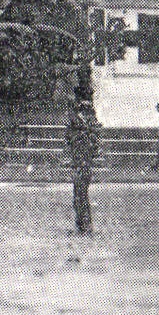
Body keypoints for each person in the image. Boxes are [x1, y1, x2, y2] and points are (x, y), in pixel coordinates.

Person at [64, 93, 100, 234]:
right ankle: (83, 226)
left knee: (80, 198)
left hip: (82, 167)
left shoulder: (82, 134)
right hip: (83, 166)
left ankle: (84, 227)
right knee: (80, 197)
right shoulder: (87, 133)